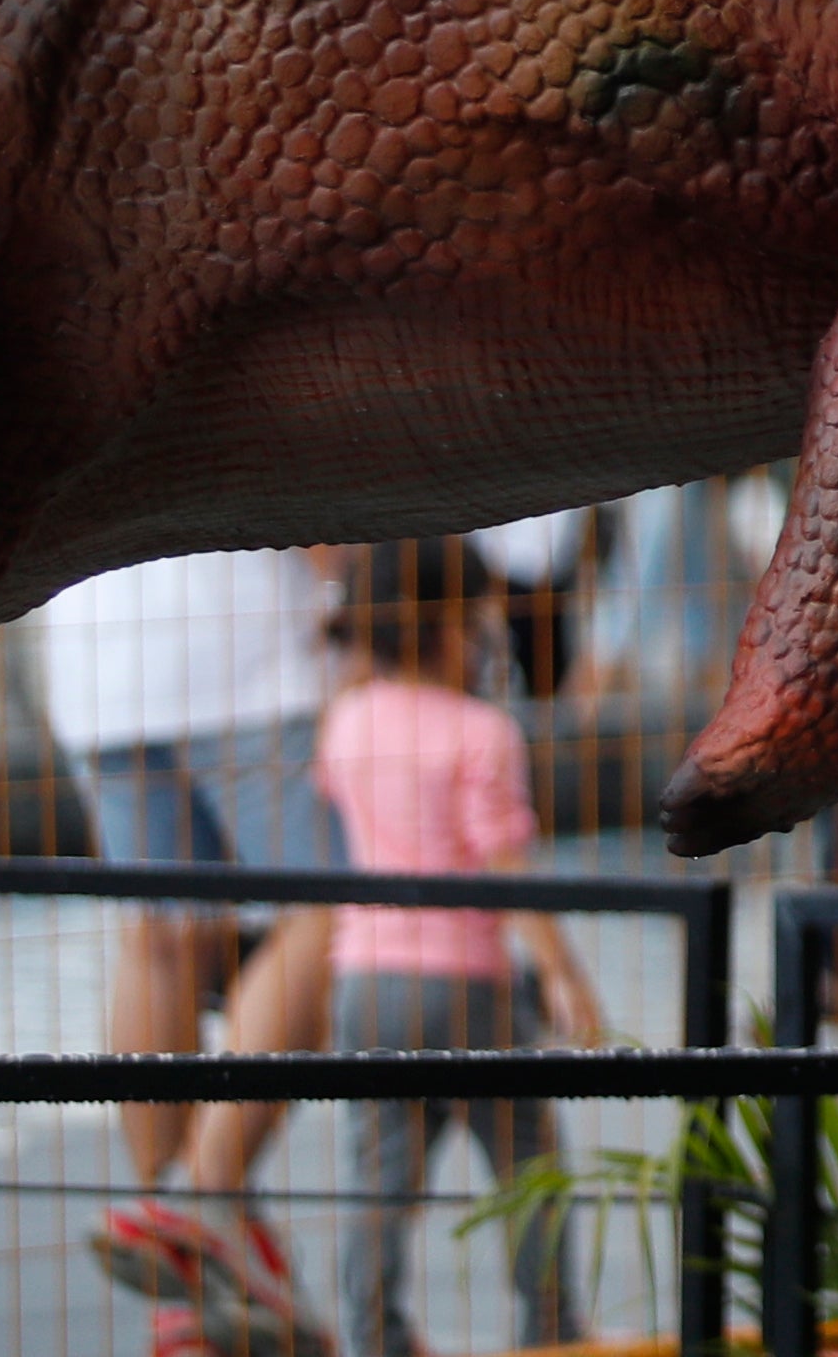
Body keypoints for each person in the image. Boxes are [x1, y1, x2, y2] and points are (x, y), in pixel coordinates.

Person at [44, 550, 346, 1357]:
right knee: (333, 914)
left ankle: (186, 1270)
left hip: (94, 658)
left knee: (160, 936)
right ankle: (202, 1197)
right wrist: (344, 592)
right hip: (242, 650)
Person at [319, 532, 610, 1357]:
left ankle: (375, 1334)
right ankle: (551, 1327)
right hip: (465, 982)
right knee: (527, 1161)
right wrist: (564, 975)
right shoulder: (481, 734)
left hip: (365, 979)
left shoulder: (345, 722)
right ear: (453, 626)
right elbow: (505, 875)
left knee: (379, 1178)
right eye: (480, 616)